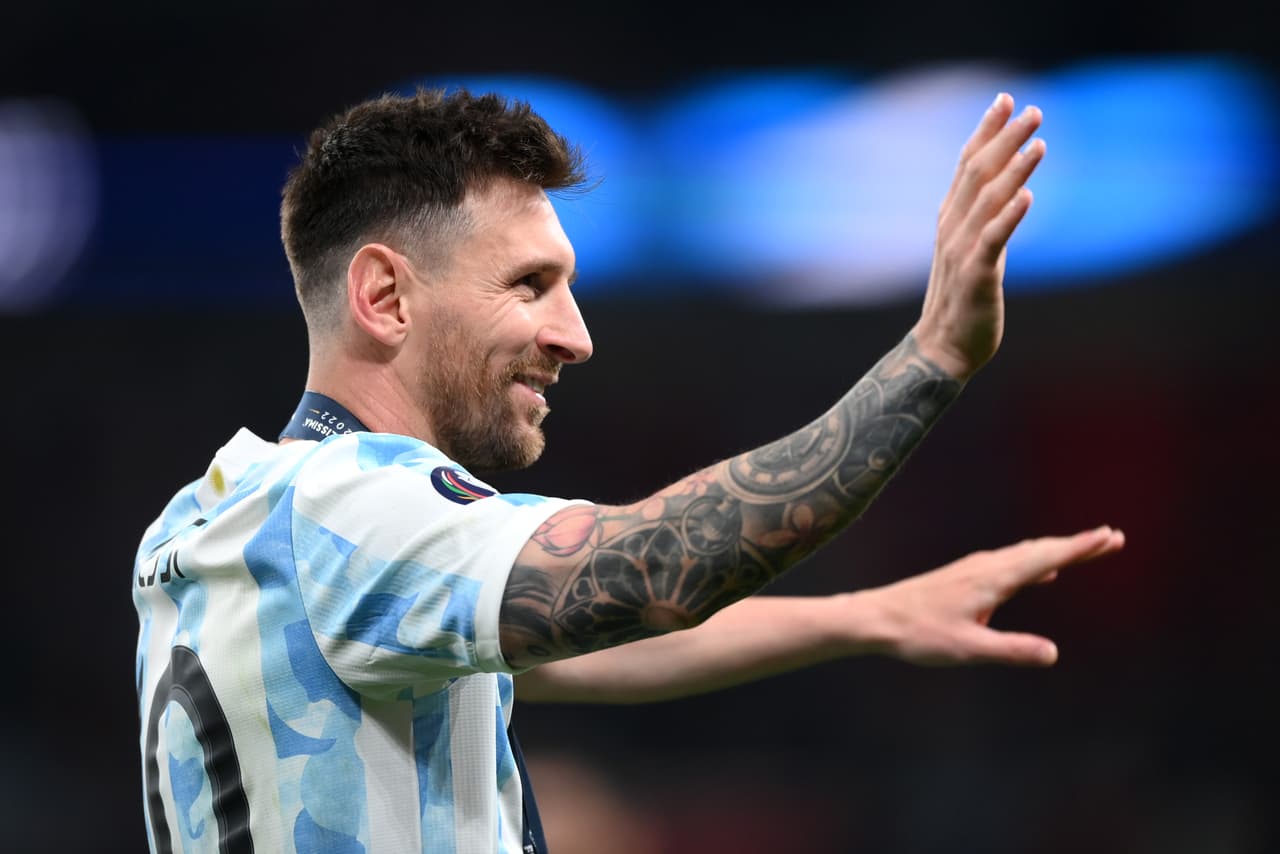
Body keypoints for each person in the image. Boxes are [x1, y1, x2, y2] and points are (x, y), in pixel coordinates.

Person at [132, 87, 1124, 854]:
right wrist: (932, 358)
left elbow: (581, 642)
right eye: (530, 284)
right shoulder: (353, 510)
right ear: (386, 296)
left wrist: (863, 615)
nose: (575, 336)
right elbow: (652, 568)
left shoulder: (221, 515)